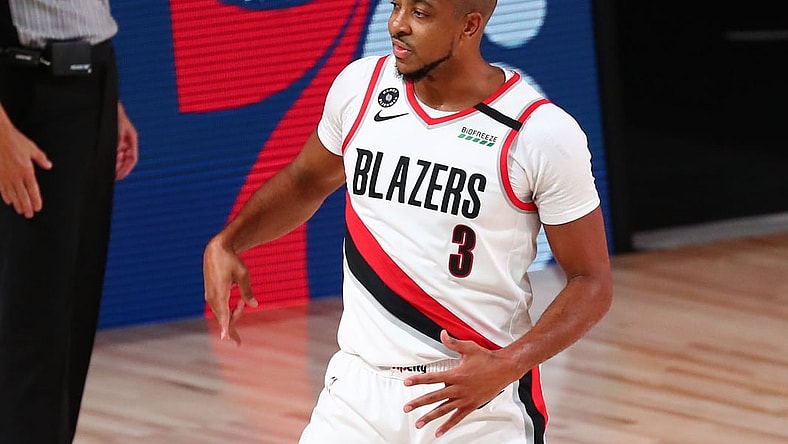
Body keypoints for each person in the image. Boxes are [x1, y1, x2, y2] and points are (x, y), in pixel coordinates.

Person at [203, 0, 612, 442]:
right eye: (397, 6)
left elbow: (591, 281)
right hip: (357, 391)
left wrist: (509, 364)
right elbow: (306, 180)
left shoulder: (539, 133)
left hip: (473, 394)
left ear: (469, 25)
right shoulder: (361, 88)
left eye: (421, 13)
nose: (396, 24)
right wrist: (230, 241)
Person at [0, 1, 139, 443]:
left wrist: (106, 98)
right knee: (29, 335)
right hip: (25, 96)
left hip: (88, 78)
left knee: (67, 331)